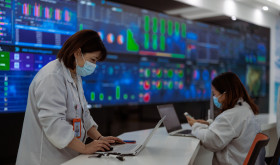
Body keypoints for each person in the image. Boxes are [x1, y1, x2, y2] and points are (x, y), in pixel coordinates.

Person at [16, 30, 124, 165]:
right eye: (93, 60)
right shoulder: (52, 76)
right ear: (78, 53)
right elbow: (54, 123)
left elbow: (84, 115)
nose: (94, 66)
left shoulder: (74, 74)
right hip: (44, 159)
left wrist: (100, 138)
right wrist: (84, 147)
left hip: (66, 157)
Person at [186, 72, 264, 165]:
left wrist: (195, 126)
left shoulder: (231, 115)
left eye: (215, 93)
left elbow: (210, 141)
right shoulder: (244, 108)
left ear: (225, 94)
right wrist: (209, 124)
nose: (214, 97)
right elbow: (231, 128)